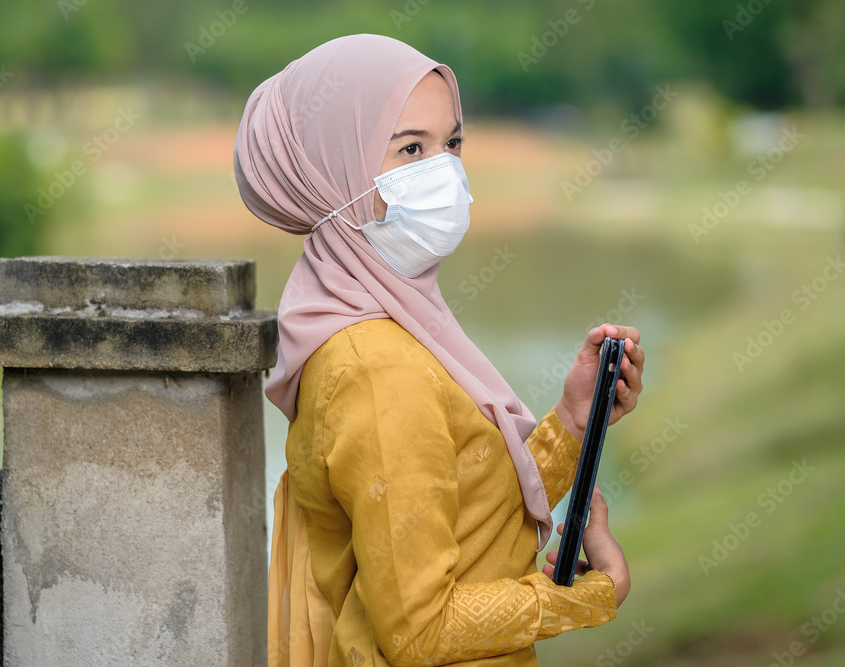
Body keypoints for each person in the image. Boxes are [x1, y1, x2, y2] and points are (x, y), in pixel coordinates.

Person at [234, 34, 645, 667]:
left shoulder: (376, 321)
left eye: (452, 143)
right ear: (333, 173)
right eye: (410, 149)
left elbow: (461, 514)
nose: (445, 171)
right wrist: (595, 593)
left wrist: (571, 422)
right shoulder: (377, 370)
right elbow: (420, 630)